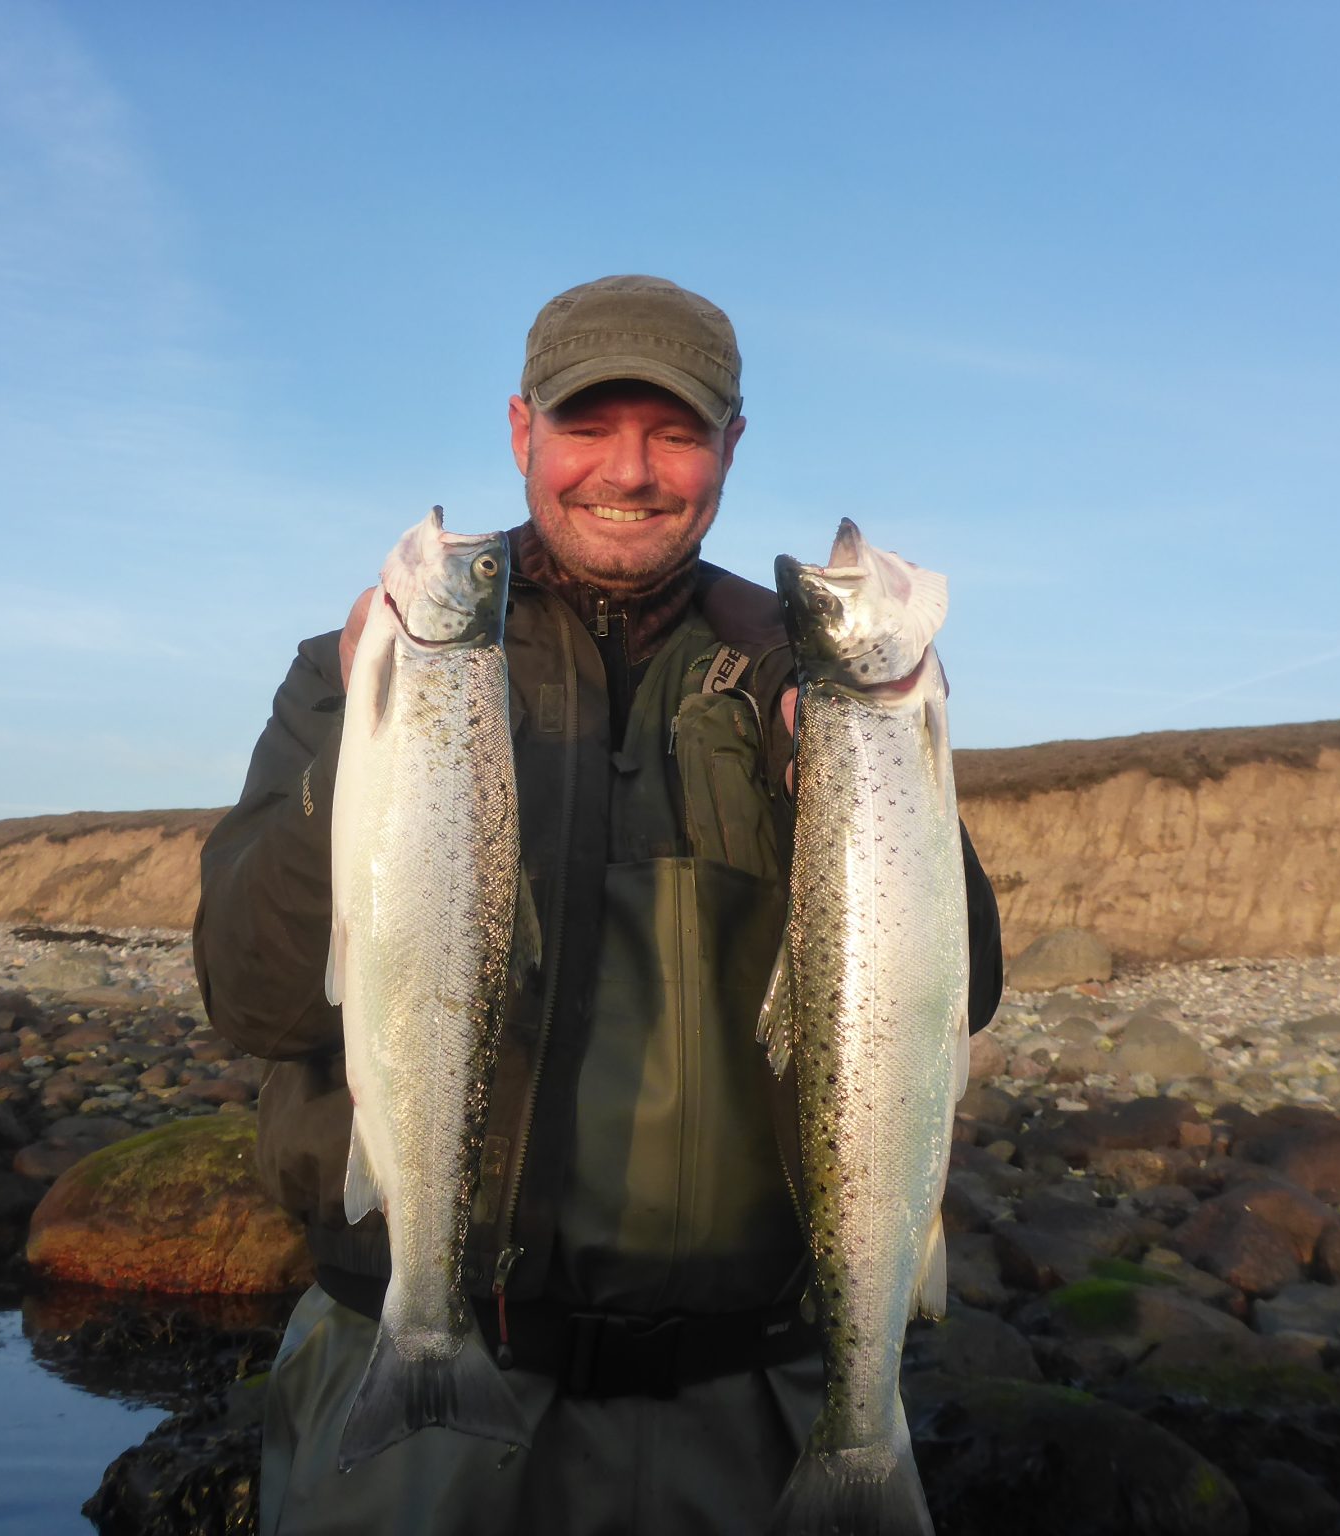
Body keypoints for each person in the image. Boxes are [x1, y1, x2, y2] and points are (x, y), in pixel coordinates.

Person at [194, 274, 1005, 1536]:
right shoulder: (349, 672)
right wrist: (359, 744)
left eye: (675, 433)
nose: (627, 471)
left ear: (730, 447)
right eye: (587, 427)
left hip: (748, 1394)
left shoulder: (802, 671)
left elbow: (951, 989)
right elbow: (249, 994)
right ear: (521, 432)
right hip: (414, 1377)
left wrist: (855, 775)